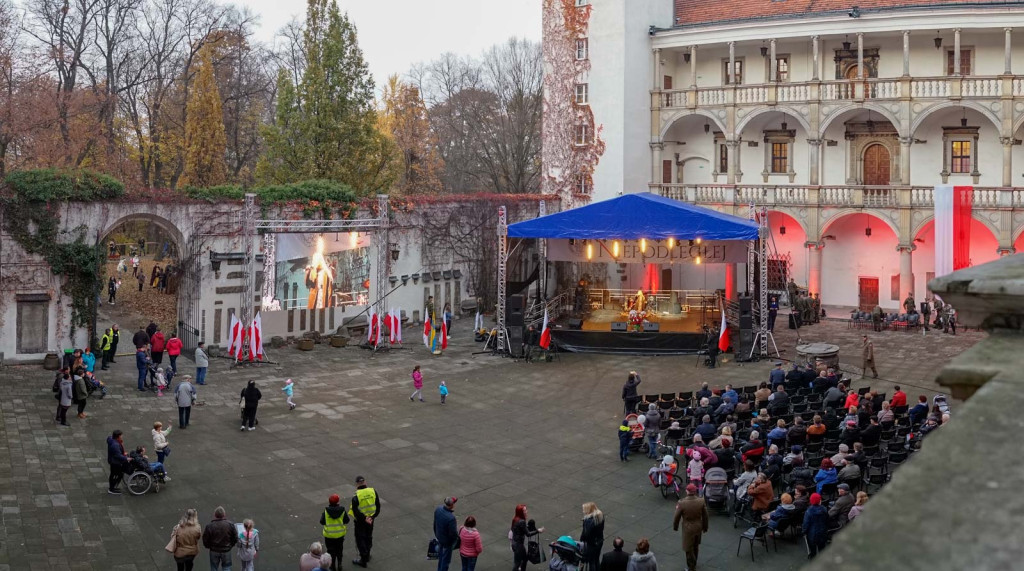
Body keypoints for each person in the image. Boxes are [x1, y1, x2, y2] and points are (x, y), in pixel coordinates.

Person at [673, 483, 709, 571]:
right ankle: (694, 562)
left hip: (688, 528)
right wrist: (705, 526)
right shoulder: (701, 501)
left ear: (687, 491)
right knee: (696, 546)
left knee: (688, 548)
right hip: (698, 526)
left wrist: (675, 526)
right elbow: (705, 516)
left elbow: (676, 516)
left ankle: (691, 567)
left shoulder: (682, 503)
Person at [351, 476, 379, 568]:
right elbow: (378, 506)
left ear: (357, 484)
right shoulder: (373, 491)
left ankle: (363, 560)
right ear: (365, 482)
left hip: (360, 521)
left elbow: (356, 511)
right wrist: (372, 517)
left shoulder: (356, 496)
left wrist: (364, 518)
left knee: (360, 539)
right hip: (371, 520)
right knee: (368, 537)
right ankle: (367, 555)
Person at [202, 506, 237, 570]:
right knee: (226, 567)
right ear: (224, 515)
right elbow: (235, 537)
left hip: (214, 550)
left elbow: (205, 539)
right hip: (226, 550)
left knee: (214, 568)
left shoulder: (209, 526)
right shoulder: (230, 525)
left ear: (215, 515)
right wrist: (231, 545)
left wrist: (209, 546)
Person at [510, 504, 543, 571]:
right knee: (517, 563)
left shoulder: (515, 519)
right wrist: (538, 531)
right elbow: (528, 534)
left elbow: (514, 529)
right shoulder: (522, 521)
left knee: (523, 559)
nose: (526, 511)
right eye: (524, 510)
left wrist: (524, 528)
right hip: (519, 545)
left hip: (515, 543)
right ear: (520, 512)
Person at [321, 494, 350, 571]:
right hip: (340, 535)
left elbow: (322, 521)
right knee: (339, 550)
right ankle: (339, 564)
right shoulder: (342, 510)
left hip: (329, 535)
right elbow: (347, 520)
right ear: (338, 502)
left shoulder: (326, 511)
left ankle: (332, 566)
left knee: (330, 551)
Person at [433, 497, 458, 571]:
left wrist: (436, 533)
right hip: (447, 542)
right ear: (452, 505)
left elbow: (435, 523)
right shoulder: (451, 518)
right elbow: (453, 533)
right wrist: (453, 541)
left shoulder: (438, 509)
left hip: (439, 537)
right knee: (446, 561)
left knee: (441, 556)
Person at [580, 502, 605, 570]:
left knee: (591, 561)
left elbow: (586, 534)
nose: (583, 511)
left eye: (584, 509)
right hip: (599, 541)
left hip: (591, 544)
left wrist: (582, 539)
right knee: (596, 559)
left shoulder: (588, 521)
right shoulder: (600, 516)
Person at [803, 493, 828, 559]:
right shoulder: (824, 509)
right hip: (823, 533)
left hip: (812, 535)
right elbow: (827, 520)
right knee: (822, 550)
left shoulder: (808, 511)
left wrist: (804, 532)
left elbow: (806, 524)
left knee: (813, 551)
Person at [106, 430, 128, 495]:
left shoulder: (111, 440)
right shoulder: (115, 445)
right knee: (118, 475)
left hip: (112, 461)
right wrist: (126, 458)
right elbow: (118, 455)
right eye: (121, 435)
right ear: (118, 437)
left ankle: (112, 487)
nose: (122, 436)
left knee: (113, 474)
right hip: (115, 462)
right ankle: (111, 489)